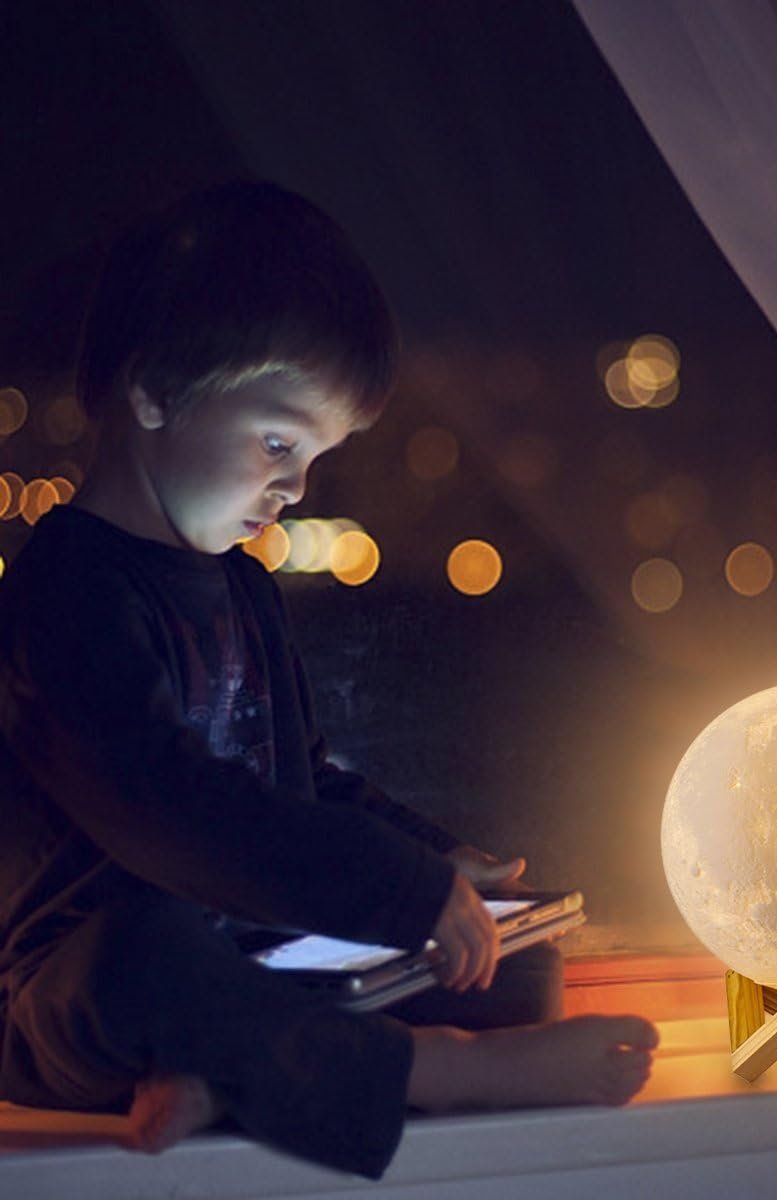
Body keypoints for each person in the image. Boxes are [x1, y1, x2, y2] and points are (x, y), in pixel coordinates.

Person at [0, 180, 657, 1179]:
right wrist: (388, 885)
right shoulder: (63, 590)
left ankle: (229, 1076)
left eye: (314, 454)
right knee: (148, 950)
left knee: (511, 974)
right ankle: (441, 1074)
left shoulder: (242, 589)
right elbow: (162, 804)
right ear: (155, 394)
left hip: (251, 963)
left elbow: (305, 780)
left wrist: (437, 866)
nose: (297, 485)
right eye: (278, 442)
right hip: (77, 989)